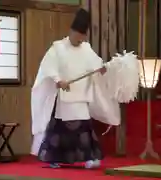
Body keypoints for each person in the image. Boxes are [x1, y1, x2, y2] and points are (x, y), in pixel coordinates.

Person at [31, 8, 108, 169]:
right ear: (71, 31)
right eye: (78, 36)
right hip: (65, 96)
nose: (80, 40)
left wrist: (101, 67)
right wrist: (59, 80)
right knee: (61, 128)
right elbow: (48, 67)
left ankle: (89, 158)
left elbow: (96, 62)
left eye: (83, 37)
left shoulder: (86, 48)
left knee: (84, 126)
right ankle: (53, 158)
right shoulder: (58, 48)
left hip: (81, 96)